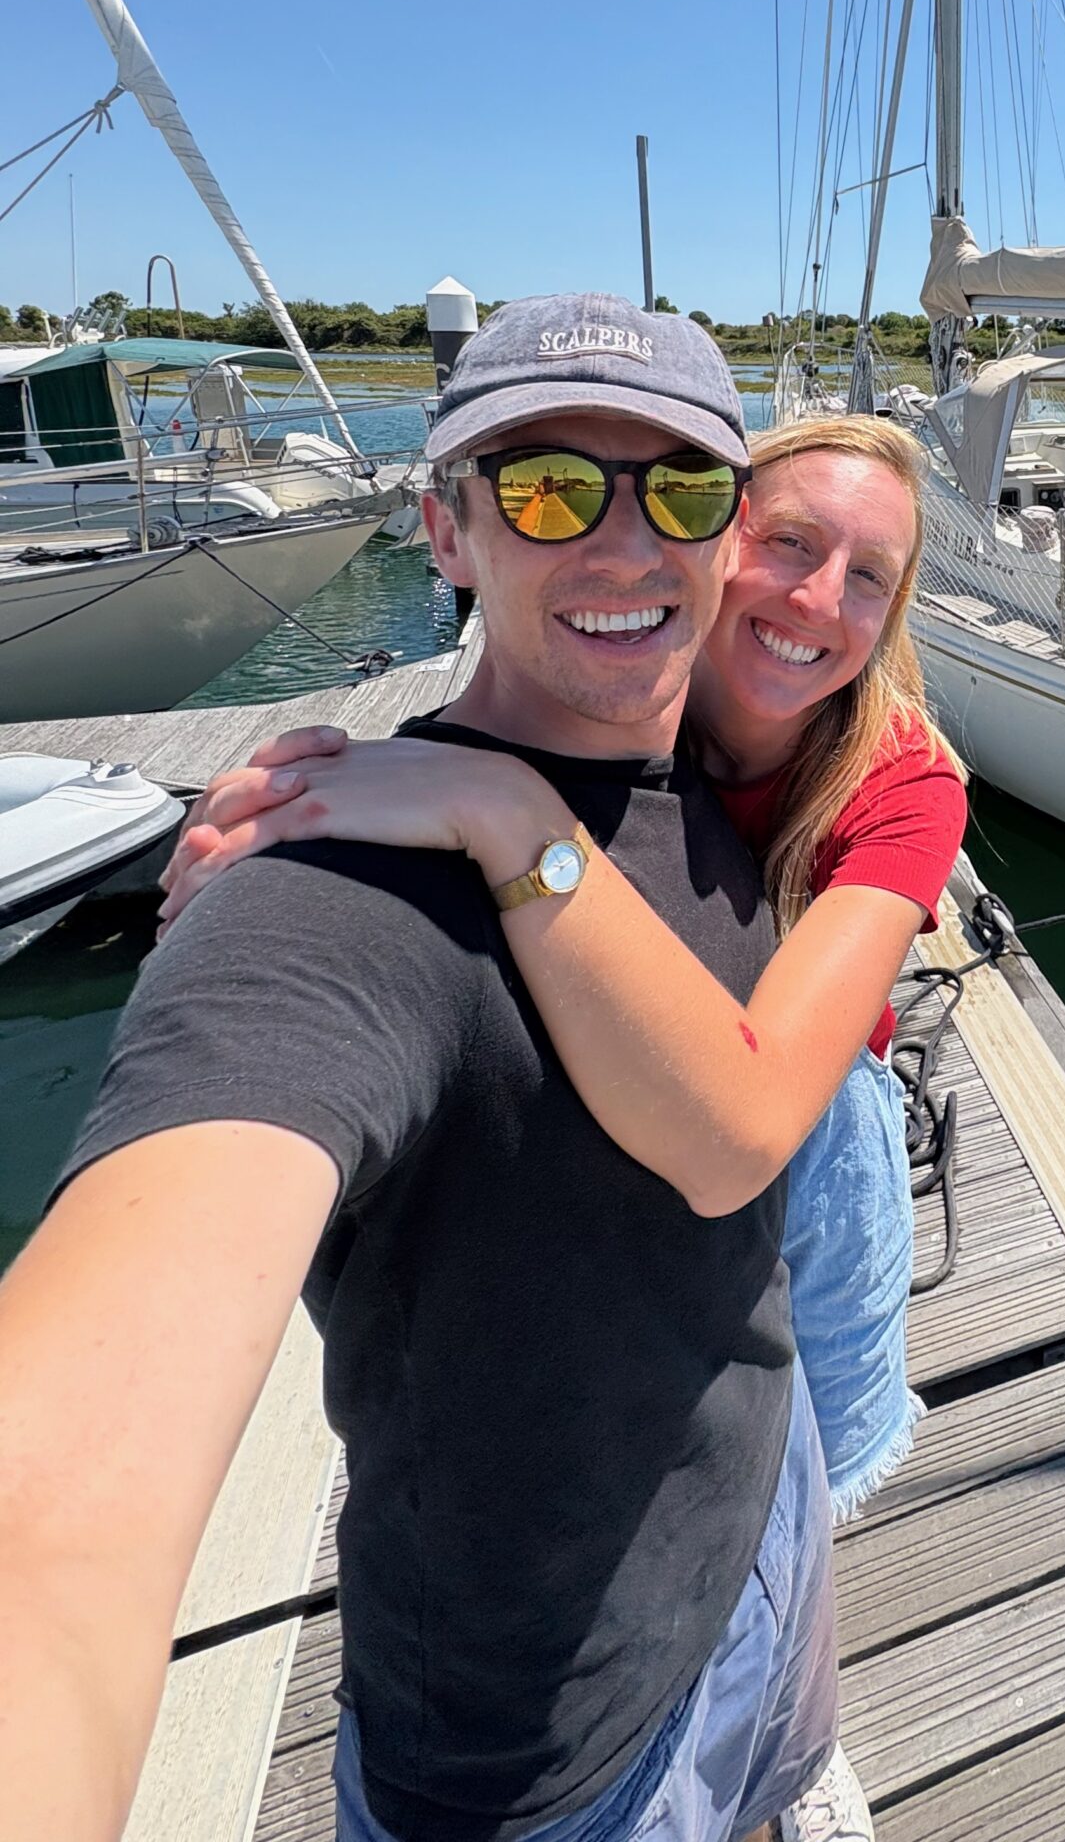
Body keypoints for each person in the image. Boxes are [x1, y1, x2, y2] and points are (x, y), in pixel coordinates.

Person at [0, 296, 879, 1842]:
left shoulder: (749, 754)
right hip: (560, 1748)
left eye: (679, 490)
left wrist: (502, 806)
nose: (623, 545)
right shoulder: (332, 889)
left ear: (727, 530)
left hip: (756, 1531)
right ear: (447, 531)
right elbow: (53, 1525)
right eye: (546, 488)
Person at [164, 410, 969, 1842]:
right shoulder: (629, 708)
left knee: (806, 1462)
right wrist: (291, 825)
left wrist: (496, 801)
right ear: (712, 542)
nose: (818, 603)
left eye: (869, 580)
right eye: (787, 544)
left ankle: (788, 1753)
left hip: (815, 1128)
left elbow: (757, 1109)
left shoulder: (899, 780)